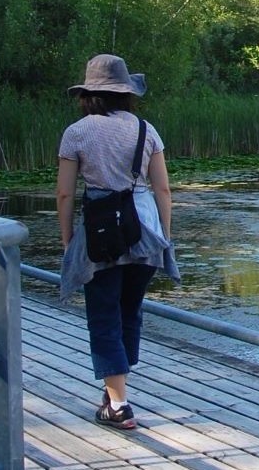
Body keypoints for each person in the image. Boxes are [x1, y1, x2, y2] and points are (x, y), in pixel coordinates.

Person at [56, 54, 179, 430]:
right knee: (129, 312)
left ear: (88, 94)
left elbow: (64, 194)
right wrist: (165, 238)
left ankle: (120, 405)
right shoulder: (146, 129)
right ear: (126, 92)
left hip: (100, 232)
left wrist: (68, 241)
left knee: (103, 315)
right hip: (145, 231)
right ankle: (113, 393)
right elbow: (163, 189)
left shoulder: (76, 132)